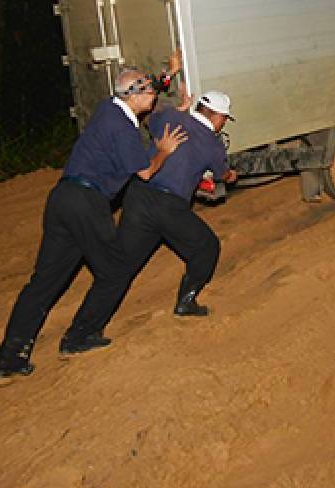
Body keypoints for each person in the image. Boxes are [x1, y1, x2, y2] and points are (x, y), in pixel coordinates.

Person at [0, 64, 189, 386]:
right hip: (87, 203)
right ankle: (79, 336)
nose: (154, 96)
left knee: (43, 283)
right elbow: (145, 172)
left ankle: (9, 360)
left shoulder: (107, 107)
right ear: (134, 96)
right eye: (150, 92)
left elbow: (142, 85)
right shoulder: (123, 131)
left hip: (62, 199)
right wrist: (164, 151)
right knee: (115, 271)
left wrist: (169, 71)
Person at [82, 90, 239, 323]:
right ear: (217, 116)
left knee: (121, 265)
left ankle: (83, 330)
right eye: (225, 118)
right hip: (168, 206)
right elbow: (222, 174)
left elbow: (151, 122)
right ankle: (187, 301)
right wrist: (230, 175)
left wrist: (178, 112)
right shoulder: (212, 144)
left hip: (138, 196)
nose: (224, 123)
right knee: (207, 247)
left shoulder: (169, 118)